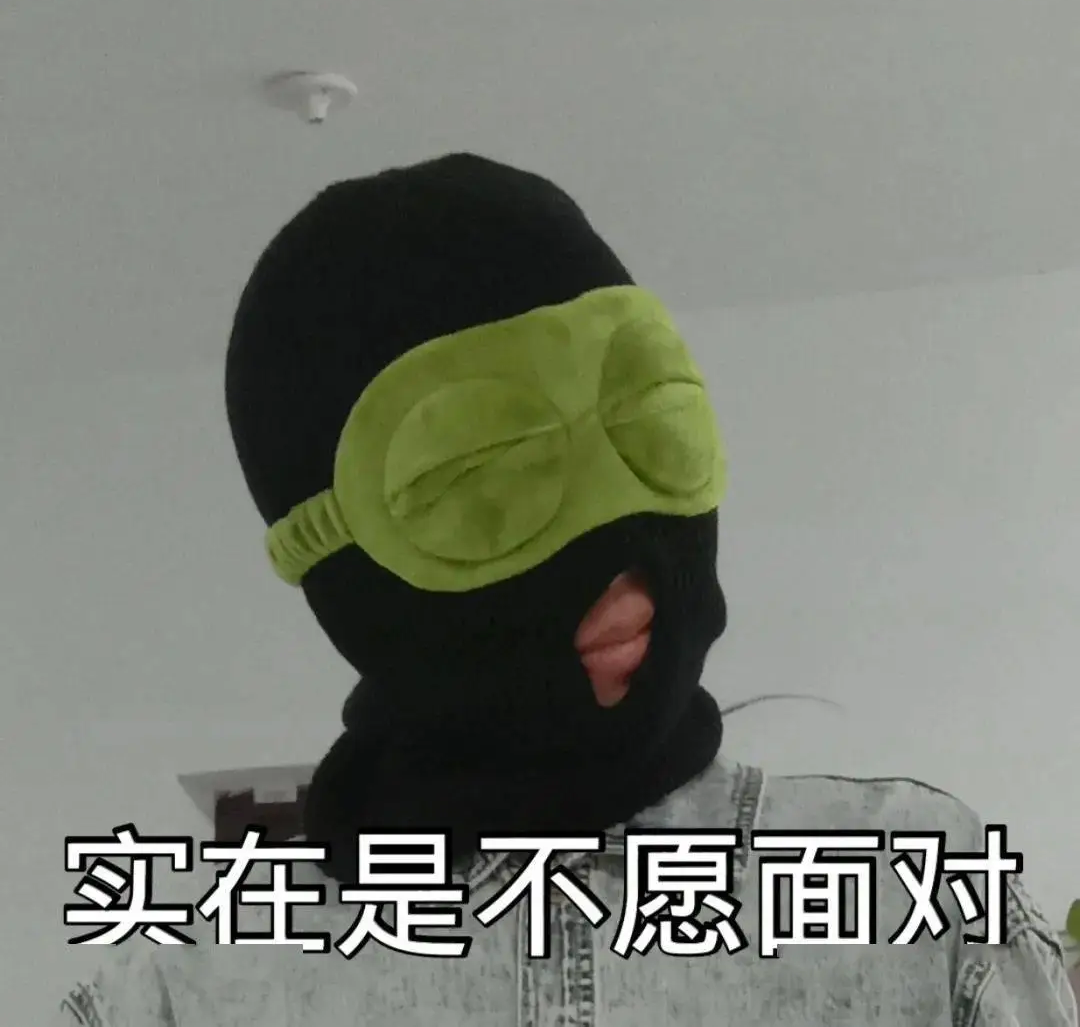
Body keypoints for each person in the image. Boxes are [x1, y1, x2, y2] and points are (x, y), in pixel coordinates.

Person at [53, 153, 1076, 1026]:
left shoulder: (917, 909)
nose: (623, 563)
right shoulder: (196, 984)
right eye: (478, 472)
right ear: (322, 549)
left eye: (652, 419)